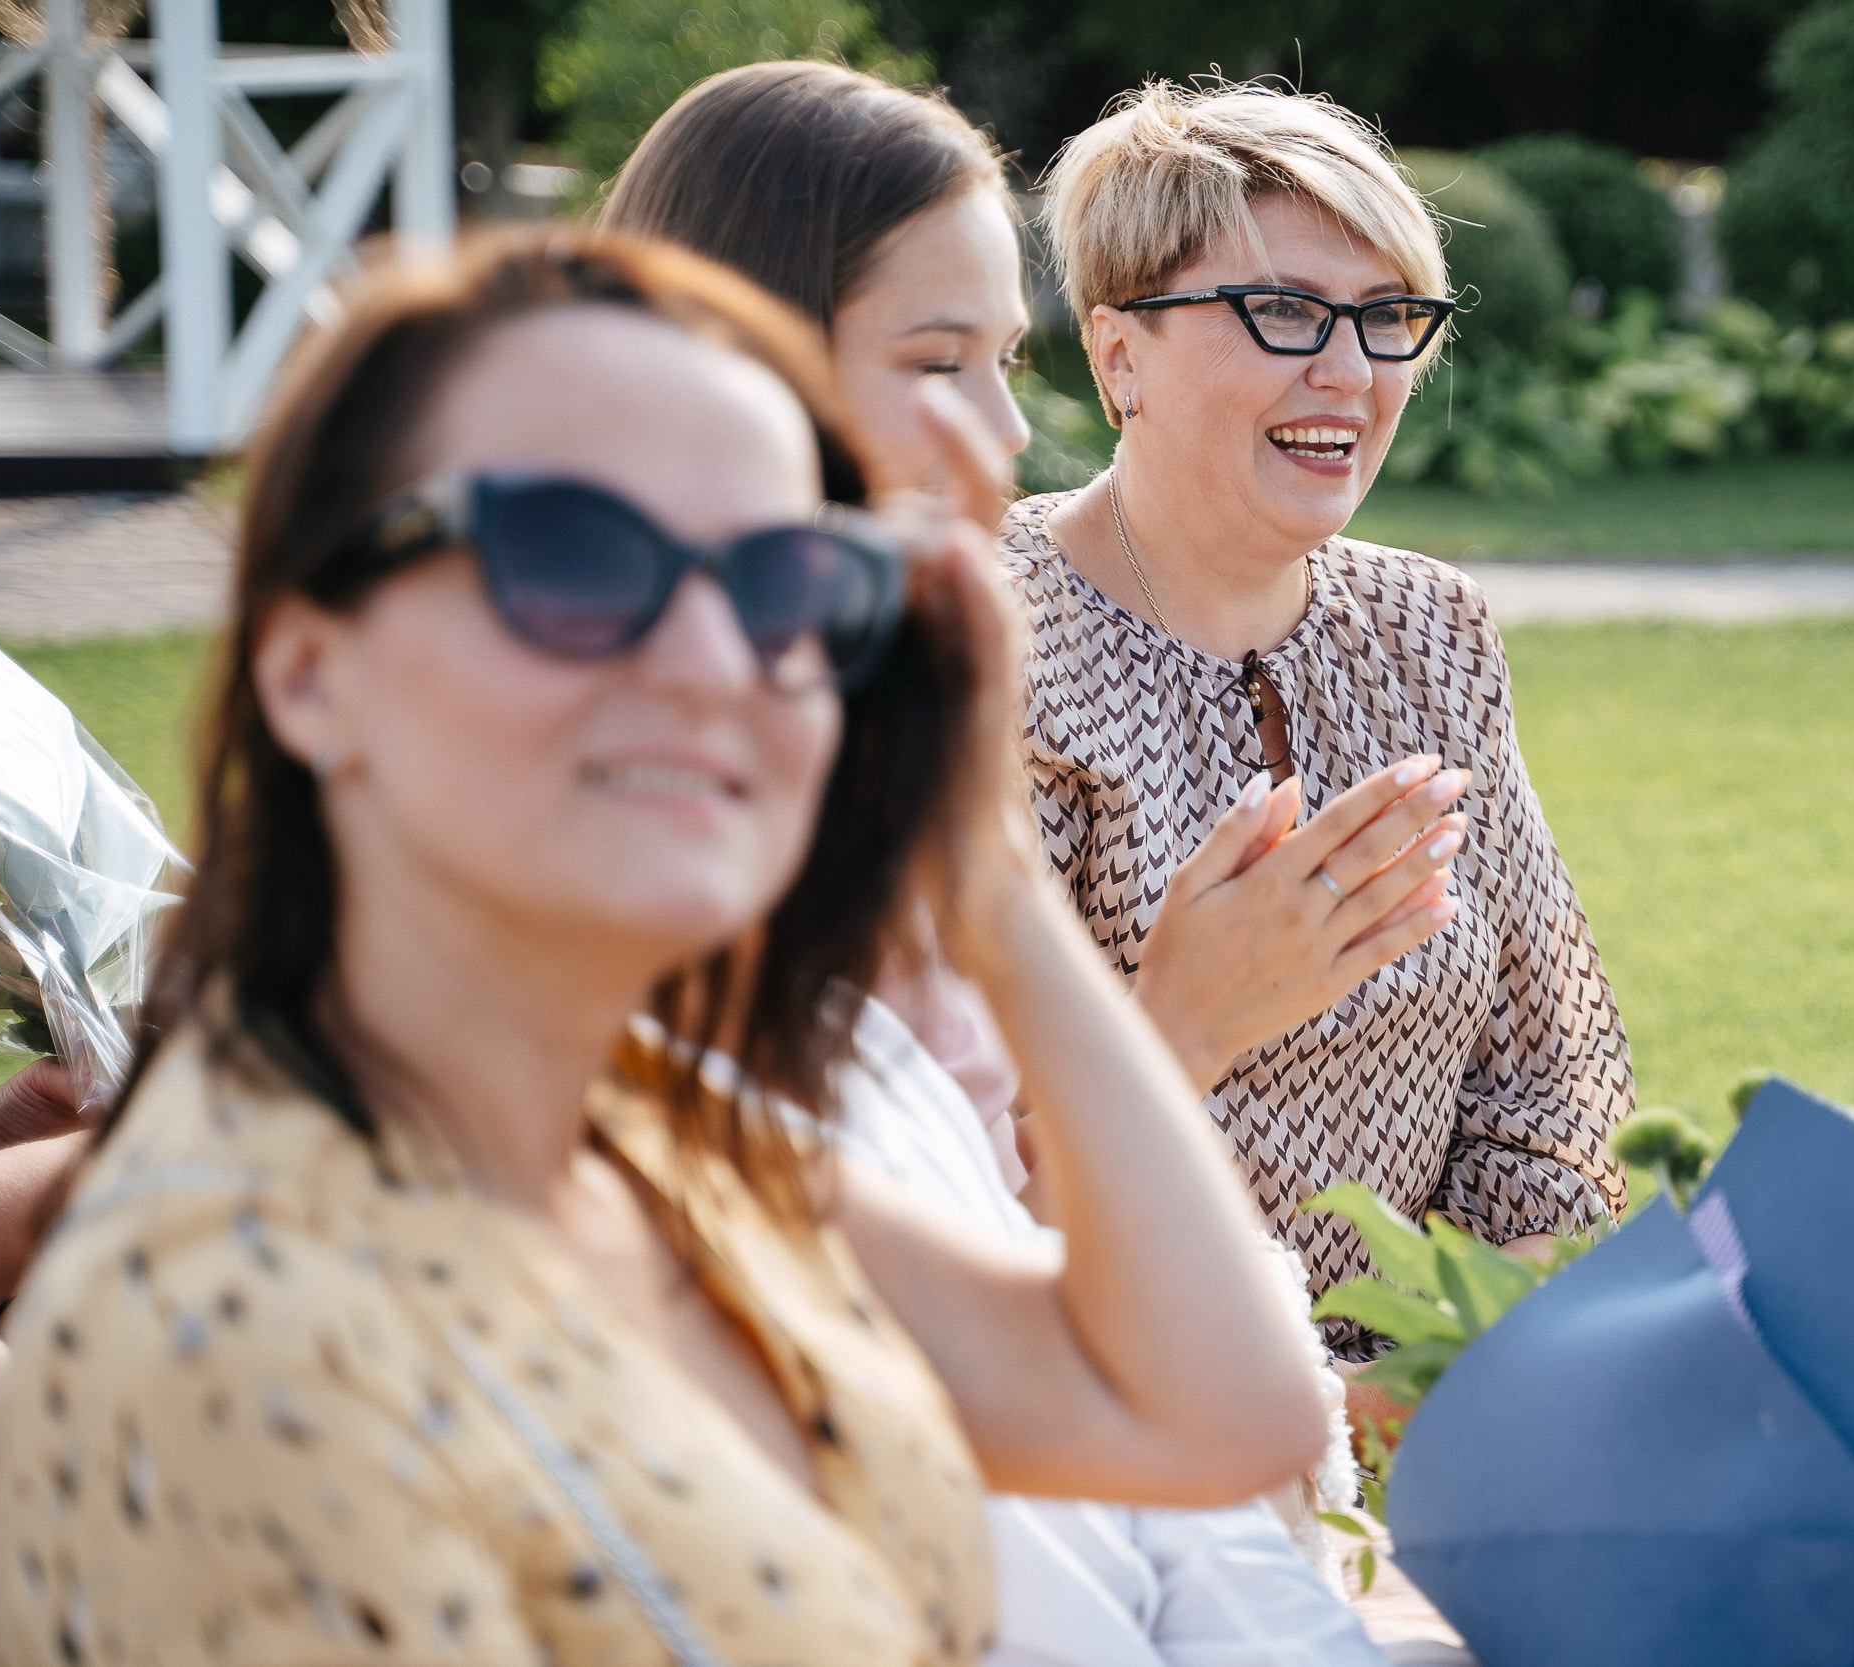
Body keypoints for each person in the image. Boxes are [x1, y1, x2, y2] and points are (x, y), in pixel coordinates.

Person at [0, 228, 1327, 1667]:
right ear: (310, 670)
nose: (708, 661)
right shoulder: (243, 1322)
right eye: (572, 558)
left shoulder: (666, 1139)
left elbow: (1216, 1411)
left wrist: (986, 871)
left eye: (783, 581)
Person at [601, 62, 1410, 1667]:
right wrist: (1167, 1006)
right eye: (934, 362)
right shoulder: (632, 842)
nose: (1005, 430)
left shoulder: (880, 739)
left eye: (1003, 361)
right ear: (728, 371)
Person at [1019, 81, 1635, 1361]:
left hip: (1443, 1387)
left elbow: (1554, 1083)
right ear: (1118, 353)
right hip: (1124, 1401)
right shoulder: (988, 646)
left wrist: (1452, 1361)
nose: (1351, 373)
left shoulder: (1429, 626)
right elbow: (945, 1175)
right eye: (1285, 310)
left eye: (1389, 315)